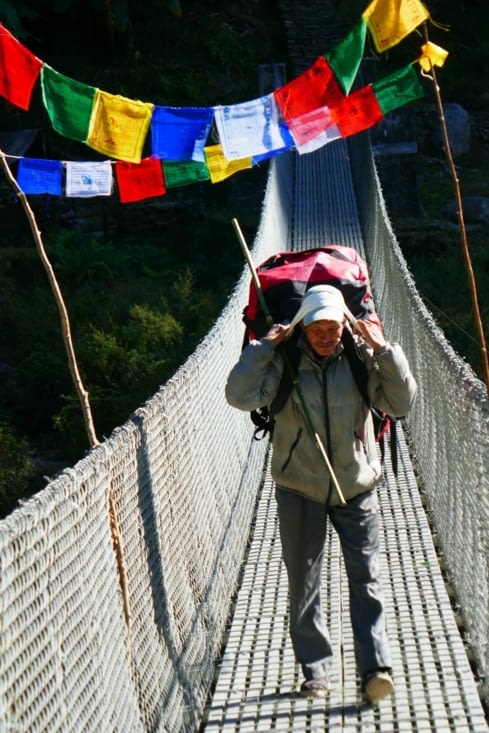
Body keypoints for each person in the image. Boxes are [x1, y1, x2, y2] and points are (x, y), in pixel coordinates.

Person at [225, 284, 417, 704]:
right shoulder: (285, 361)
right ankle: (316, 672)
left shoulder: (360, 357)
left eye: (333, 328)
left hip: (356, 486)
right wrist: (264, 347)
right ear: (303, 327)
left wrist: (384, 350)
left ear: (345, 325)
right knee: (304, 583)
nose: (327, 337)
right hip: (300, 487)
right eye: (317, 330)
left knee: (367, 578)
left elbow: (402, 402)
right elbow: (238, 396)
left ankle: (376, 669)